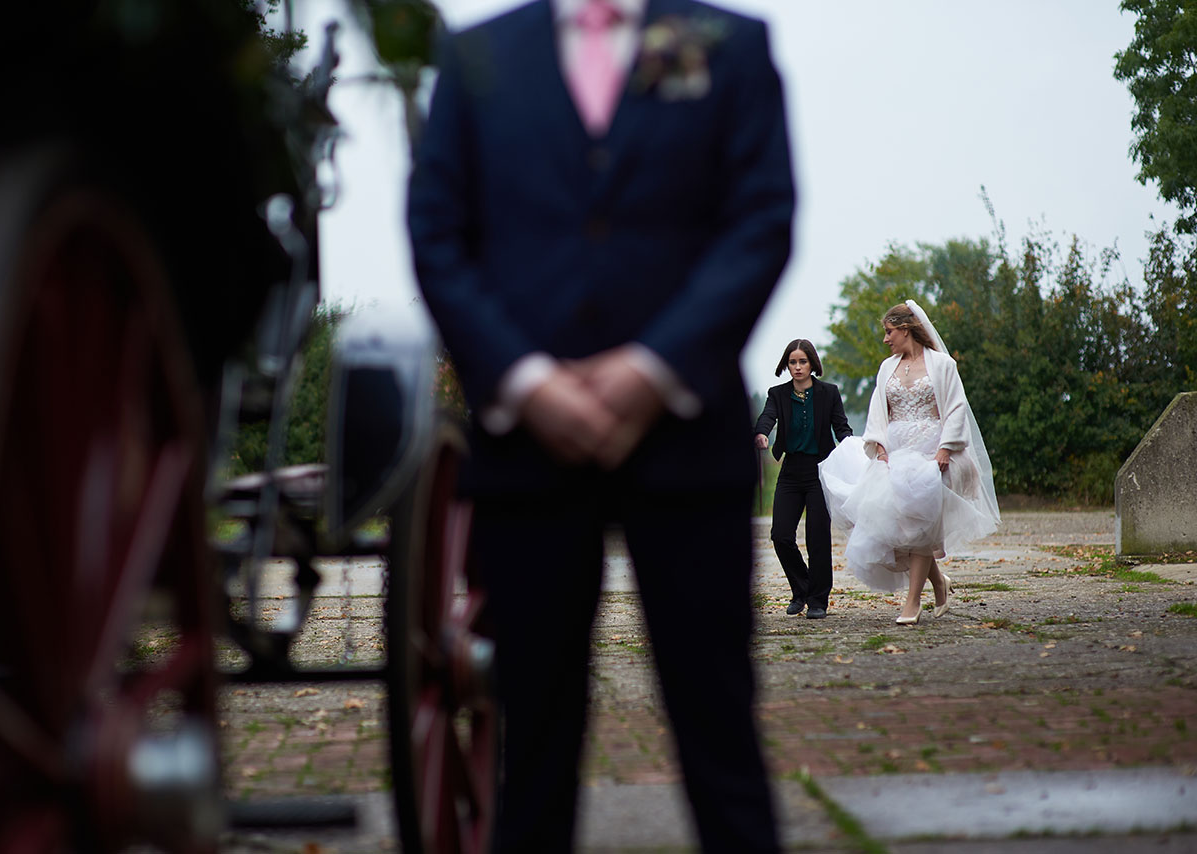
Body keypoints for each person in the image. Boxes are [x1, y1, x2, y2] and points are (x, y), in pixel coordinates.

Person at [406, 0, 794, 850]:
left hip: (687, 442)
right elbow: (437, 233)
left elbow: (761, 220)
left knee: (721, 736)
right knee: (531, 751)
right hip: (526, 450)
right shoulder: (476, 58)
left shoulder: (731, 44)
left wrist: (653, 368)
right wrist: (528, 380)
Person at [819, 300, 1000, 624]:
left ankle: (912, 602)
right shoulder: (887, 368)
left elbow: (956, 408)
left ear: (906, 329)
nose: (886, 339)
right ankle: (939, 583)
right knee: (904, 527)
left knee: (920, 523)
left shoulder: (942, 365)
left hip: (932, 453)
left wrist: (946, 448)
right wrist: (878, 446)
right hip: (897, 451)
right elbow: (879, 410)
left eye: (889, 332)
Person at [753, 339, 852, 619]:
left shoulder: (829, 393)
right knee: (781, 535)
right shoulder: (777, 394)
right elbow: (767, 418)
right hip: (791, 471)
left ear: (812, 364)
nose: (797, 367)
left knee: (817, 537)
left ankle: (818, 600)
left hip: (820, 472)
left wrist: (855, 451)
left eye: (802, 362)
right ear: (787, 364)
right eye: (792, 362)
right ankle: (802, 589)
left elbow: (841, 428)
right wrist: (760, 434)